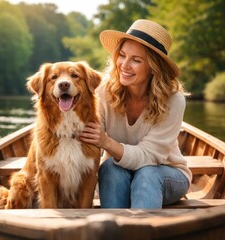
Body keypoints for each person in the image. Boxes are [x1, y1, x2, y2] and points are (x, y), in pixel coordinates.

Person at [79, 19, 192, 208]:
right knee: (109, 168)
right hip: (119, 170)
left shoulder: (174, 100)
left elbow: (149, 157)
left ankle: (141, 229)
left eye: (136, 60)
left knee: (146, 174)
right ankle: (115, 230)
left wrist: (106, 142)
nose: (124, 65)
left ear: (153, 68)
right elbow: (88, 144)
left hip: (167, 173)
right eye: (122, 55)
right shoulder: (103, 91)